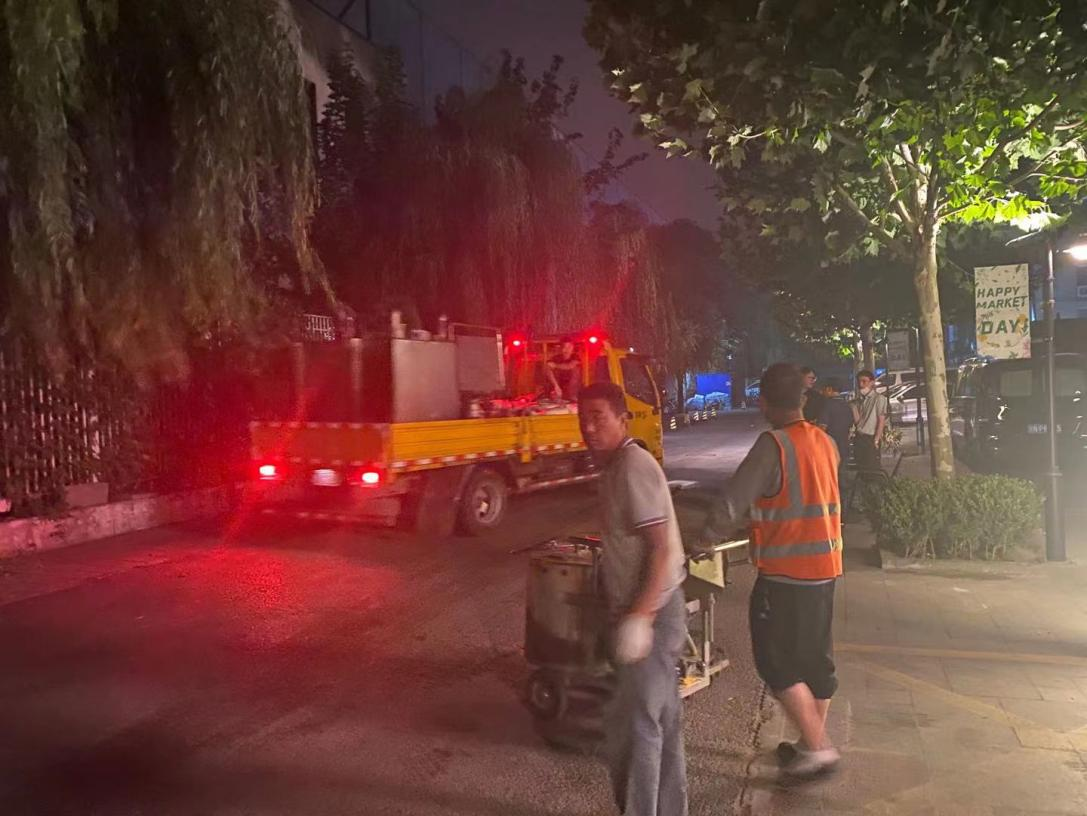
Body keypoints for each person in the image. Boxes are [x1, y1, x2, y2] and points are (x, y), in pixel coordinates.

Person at [700, 363, 843, 779]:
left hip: (784, 575)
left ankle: (819, 749)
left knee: (775, 662)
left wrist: (703, 540)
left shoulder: (773, 445)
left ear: (763, 402)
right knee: (815, 661)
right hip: (825, 569)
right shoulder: (826, 442)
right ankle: (809, 743)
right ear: (803, 397)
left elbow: (732, 503)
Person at [578, 381, 688, 816]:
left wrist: (640, 618)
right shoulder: (613, 467)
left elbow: (661, 549)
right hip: (644, 610)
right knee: (660, 720)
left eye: (598, 418)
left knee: (636, 726)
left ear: (622, 419)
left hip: (653, 614)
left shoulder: (632, 466)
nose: (588, 428)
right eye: (583, 419)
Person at [818, 380, 854, 485]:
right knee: (842, 476)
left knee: (831, 478)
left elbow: (822, 428)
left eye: (824, 390)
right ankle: (844, 494)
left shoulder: (827, 405)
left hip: (830, 447)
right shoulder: (847, 406)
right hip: (844, 446)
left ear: (829, 389)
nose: (822, 392)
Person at [851, 370, 887, 472]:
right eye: (859, 382)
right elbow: (859, 422)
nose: (861, 384)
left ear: (872, 382)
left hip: (871, 438)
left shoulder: (879, 398)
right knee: (861, 467)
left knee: (872, 467)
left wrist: (876, 439)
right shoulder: (859, 400)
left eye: (864, 381)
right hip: (859, 437)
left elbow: (881, 420)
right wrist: (854, 408)